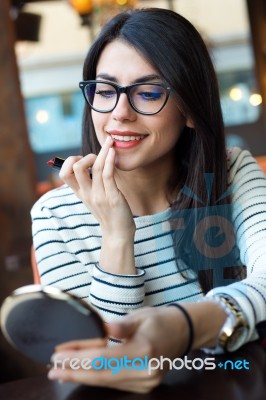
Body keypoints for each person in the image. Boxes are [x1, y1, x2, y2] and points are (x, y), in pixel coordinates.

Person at [31, 7, 266, 392]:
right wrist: (117, 236)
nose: (119, 114)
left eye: (149, 92)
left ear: (189, 108)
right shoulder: (55, 215)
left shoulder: (230, 173)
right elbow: (96, 364)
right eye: (105, 91)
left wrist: (186, 327)